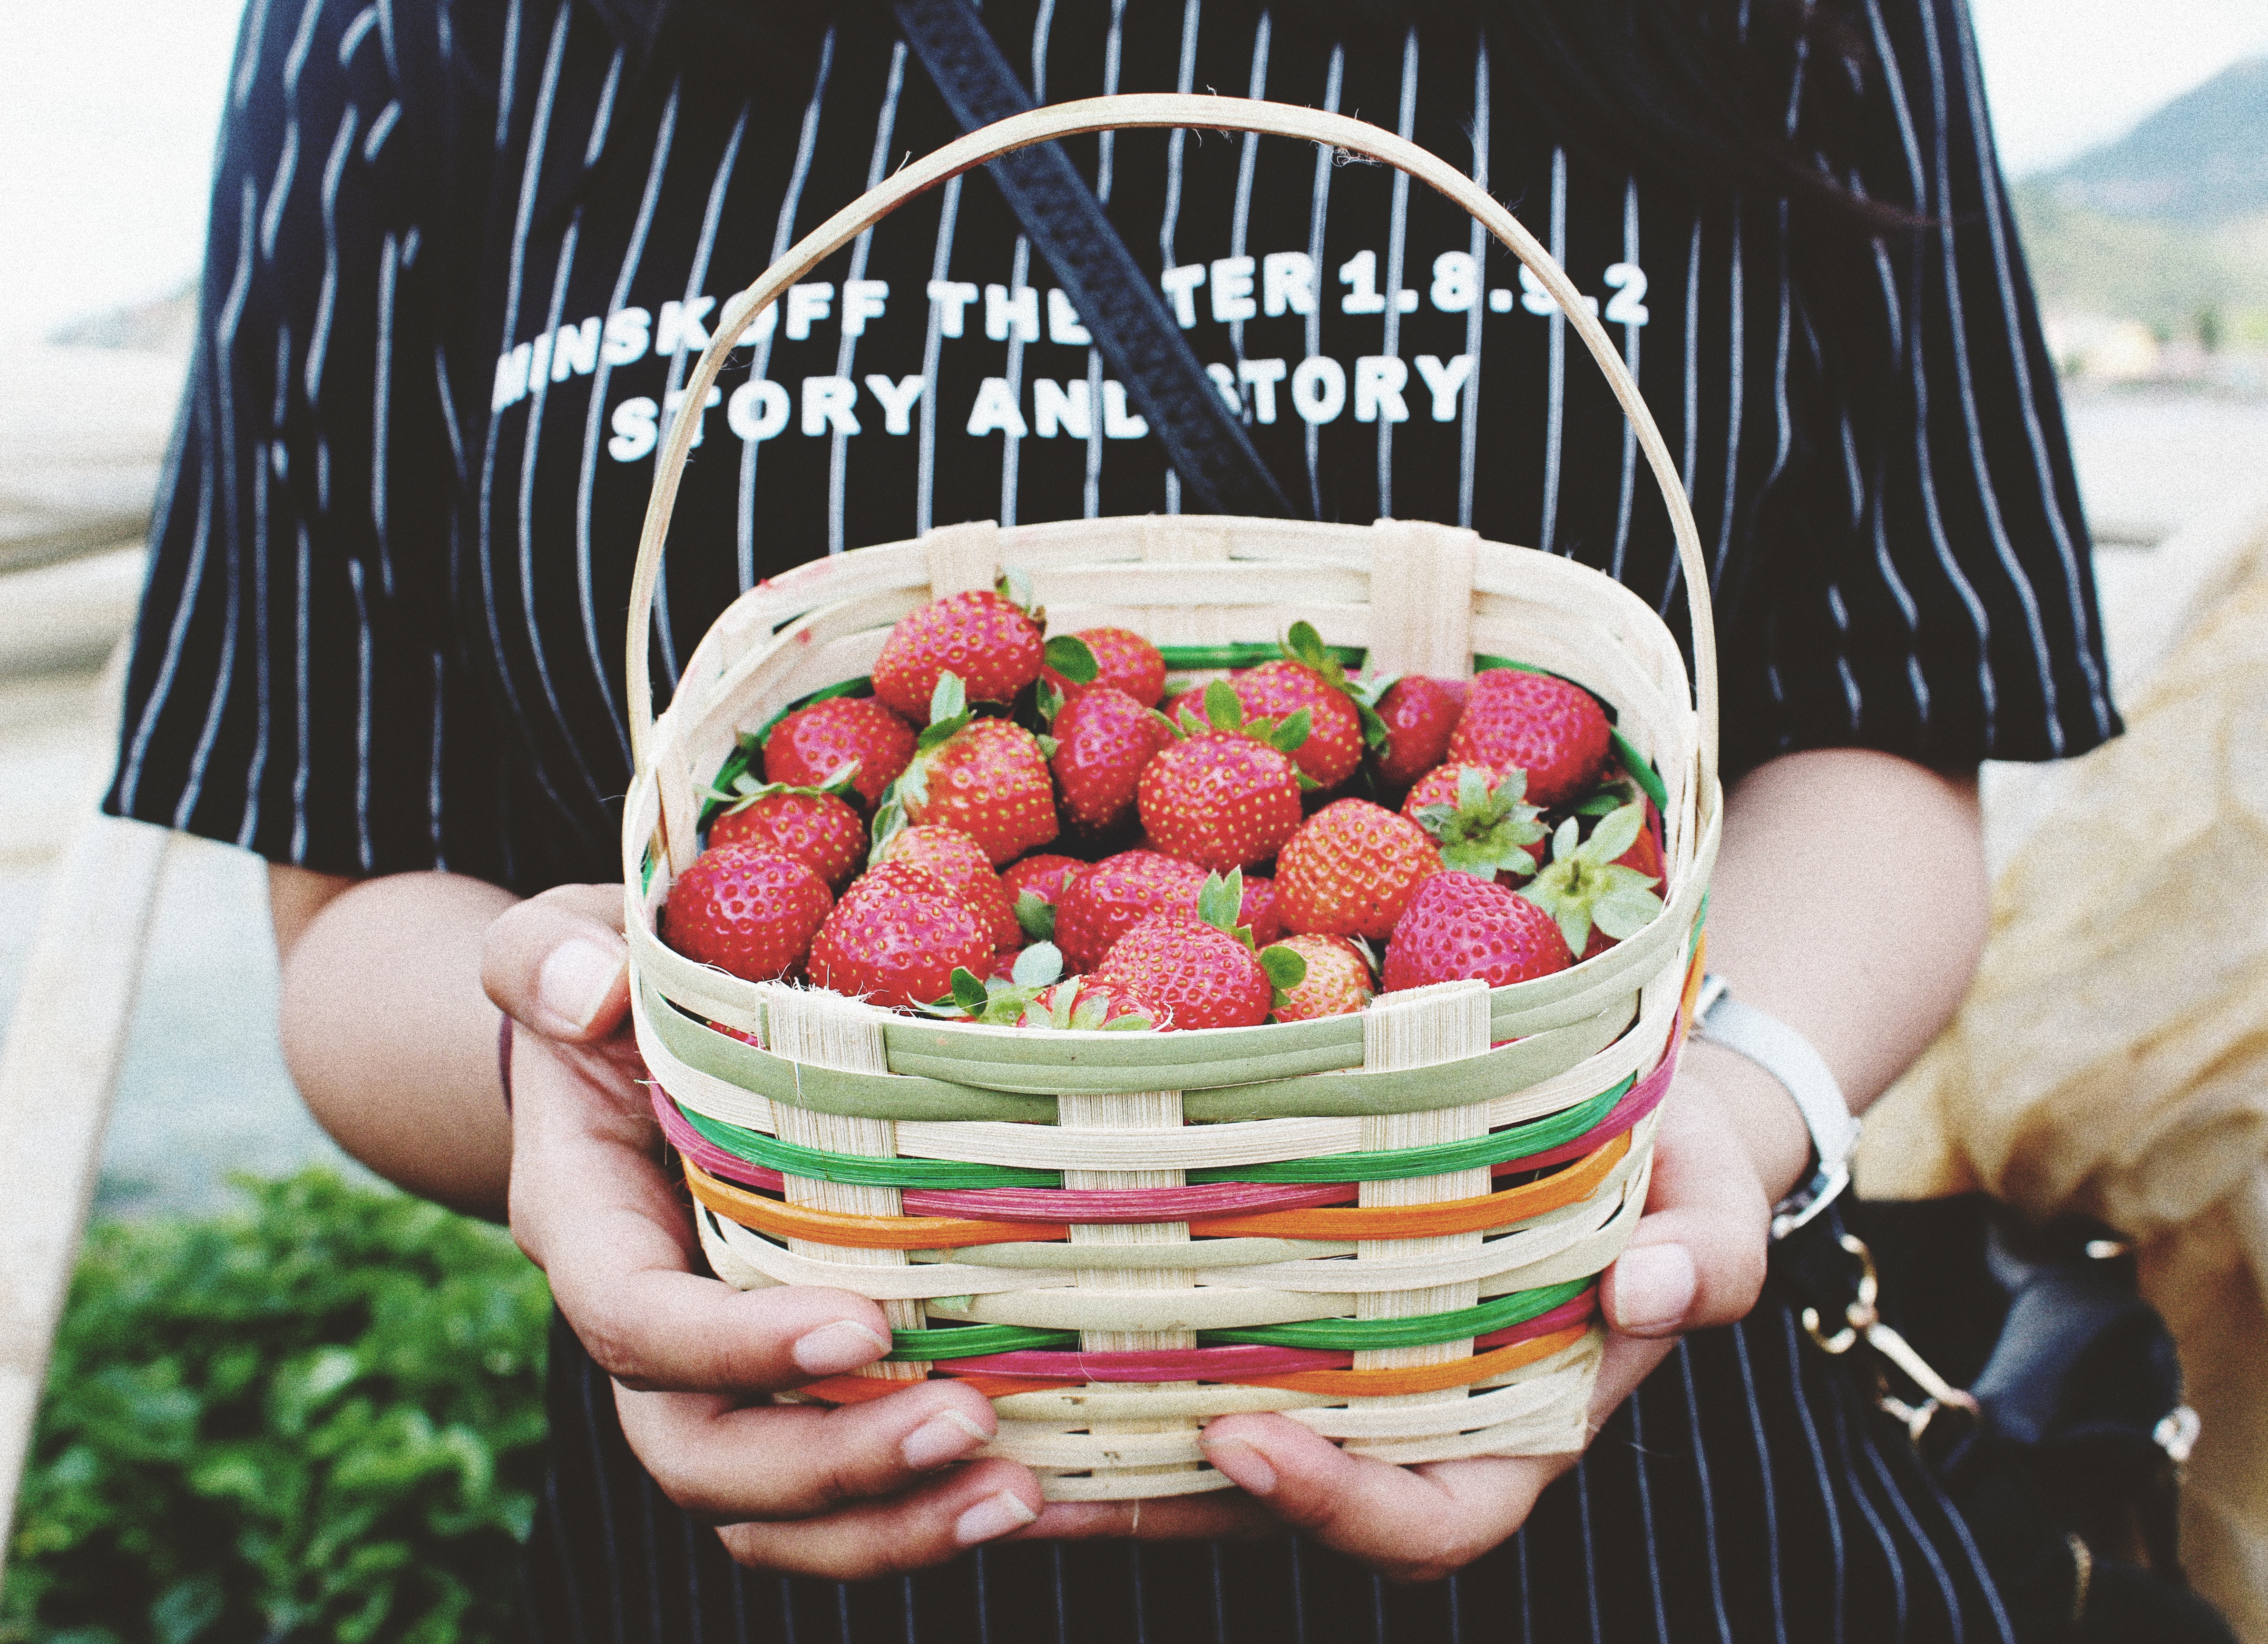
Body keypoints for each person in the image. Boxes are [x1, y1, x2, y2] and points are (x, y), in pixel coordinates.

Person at [108, 0, 2118, 1635]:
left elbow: (1891, 736)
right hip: (784, 1516)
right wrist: (601, 1065)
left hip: (1646, 1515)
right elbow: (353, 898)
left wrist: (1725, 1098)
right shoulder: (416, 32)